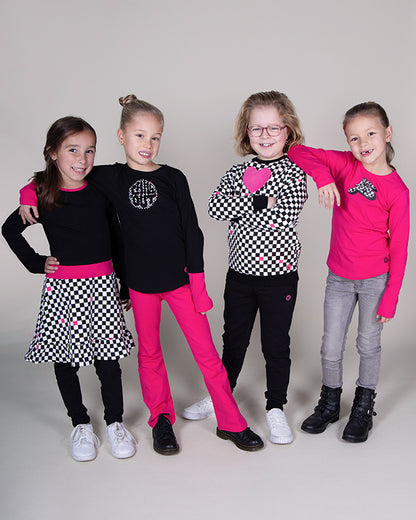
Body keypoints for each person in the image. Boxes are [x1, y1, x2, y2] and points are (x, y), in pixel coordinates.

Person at [20, 96, 264, 455]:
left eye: (155, 137)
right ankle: (160, 420)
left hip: (180, 282)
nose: (147, 144)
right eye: (139, 135)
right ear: (121, 136)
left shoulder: (173, 178)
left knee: (208, 356)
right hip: (140, 285)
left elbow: (192, 231)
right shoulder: (109, 177)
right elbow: (60, 173)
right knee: (150, 354)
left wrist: (198, 284)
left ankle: (231, 422)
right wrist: (28, 193)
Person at [3, 117, 136, 462]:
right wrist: (36, 262)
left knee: (108, 362)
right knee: (65, 360)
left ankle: (115, 422)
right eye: (72, 150)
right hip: (63, 290)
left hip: (103, 287)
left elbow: (118, 239)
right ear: (52, 153)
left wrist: (125, 283)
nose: (82, 159)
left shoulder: (100, 190)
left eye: (90, 151)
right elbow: (9, 229)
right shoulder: (43, 194)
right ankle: (80, 423)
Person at [182, 91, 308, 445]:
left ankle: (276, 407)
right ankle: (220, 397)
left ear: (287, 130)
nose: (265, 135)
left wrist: (243, 206)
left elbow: (286, 214)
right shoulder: (237, 171)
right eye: (257, 129)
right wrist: (262, 201)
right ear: (246, 132)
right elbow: (215, 208)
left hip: (279, 277)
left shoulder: (295, 171)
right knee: (232, 341)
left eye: (273, 128)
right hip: (239, 276)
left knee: (275, 345)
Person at [287, 101, 410, 442]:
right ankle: (330, 403)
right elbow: (297, 151)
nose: (363, 143)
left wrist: (390, 298)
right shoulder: (345, 165)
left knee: (368, 345)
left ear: (387, 133)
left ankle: (362, 407)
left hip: (375, 282)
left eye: (370, 134)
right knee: (330, 346)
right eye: (354, 138)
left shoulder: (398, 191)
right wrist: (324, 177)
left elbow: (399, 250)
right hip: (339, 279)